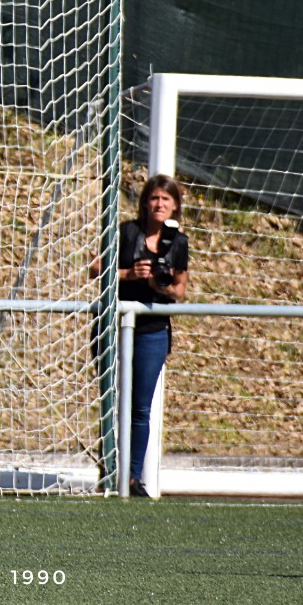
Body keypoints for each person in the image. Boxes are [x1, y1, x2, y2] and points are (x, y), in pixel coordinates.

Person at [115, 173, 189, 497]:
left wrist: (161, 285)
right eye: (154, 198)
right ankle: (110, 471)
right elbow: (95, 269)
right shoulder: (125, 232)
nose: (159, 204)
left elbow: (180, 290)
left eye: (166, 199)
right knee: (113, 401)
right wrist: (129, 274)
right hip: (117, 327)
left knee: (141, 408)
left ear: (175, 207)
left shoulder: (179, 242)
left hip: (154, 330)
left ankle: (132, 477)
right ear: (145, 202)